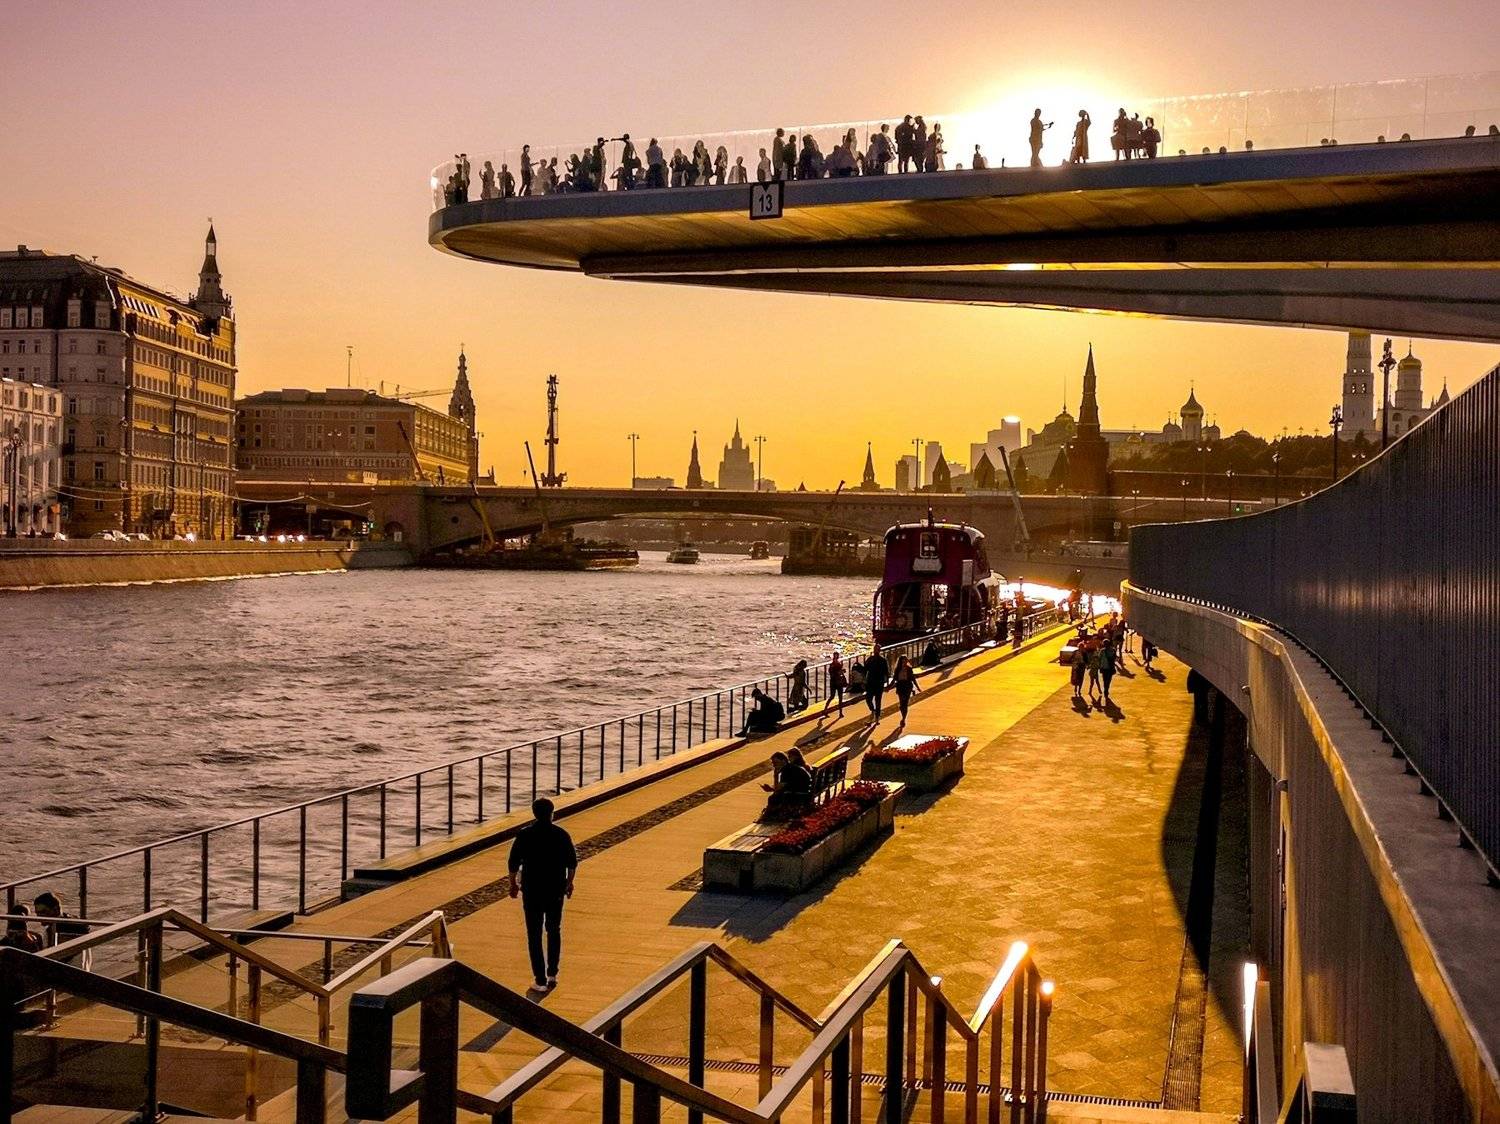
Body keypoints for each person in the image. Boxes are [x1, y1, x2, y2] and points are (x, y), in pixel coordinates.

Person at [507, 798, 577, 991]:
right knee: (554, 930)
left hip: (532, 889)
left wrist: (513, 885)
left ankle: (539, 980)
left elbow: (513, 863)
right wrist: (569, 883)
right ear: (552, 813)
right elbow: (572, 863)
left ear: (534, 813)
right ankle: (552, 974)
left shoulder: (524, 835)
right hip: (555, 888)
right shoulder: (561, 834)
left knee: (534, 934)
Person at [863, 643, 890, 721]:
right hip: (870, 682)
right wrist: (863, 681)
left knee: (878, 700)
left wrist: (887, 684)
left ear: (879, 650)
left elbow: (886, 673)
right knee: (868, 699)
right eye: (875, 649)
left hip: (879, 683)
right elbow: (865, 669)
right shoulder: (870, 659)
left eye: (877, 649)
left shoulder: (883, 660)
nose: (875, 651)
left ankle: (877, 717)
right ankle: (873, 709)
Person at [892, 655, 920, 725]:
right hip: (900, 686)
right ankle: (903, 715)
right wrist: (889, 687)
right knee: (902, 704)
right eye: (903, 660)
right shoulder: (897, 669)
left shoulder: (909, 669)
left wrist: (917, 687)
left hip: (907, 686)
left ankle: (903, 719)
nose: (904, 661)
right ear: (900, 661)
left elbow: (913, 678)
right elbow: (894, 679)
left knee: (905, 703)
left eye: (906, 660)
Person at [1099, 637, 1117, 703]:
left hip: (1104, 668)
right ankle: (1106, 690)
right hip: (1110, 668)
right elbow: (1115, 658)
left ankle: (1105, 690)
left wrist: (1099, 666)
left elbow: (1099, 658)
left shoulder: (1102, 651)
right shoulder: (1113, 650)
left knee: (1105, 680)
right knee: (1108, 680)